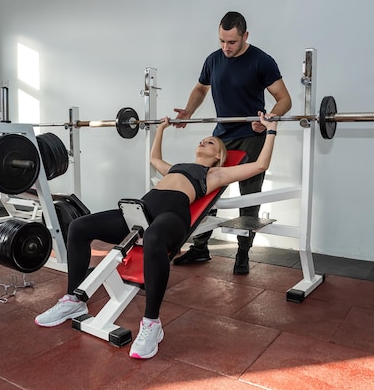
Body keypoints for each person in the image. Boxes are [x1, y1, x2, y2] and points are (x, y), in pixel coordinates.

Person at [35, 112, 279, 360]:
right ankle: (74, 299)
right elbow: (154, 158)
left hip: (172, 216)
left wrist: (271, 130)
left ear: (218, 156)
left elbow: (260, 165)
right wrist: (162, 128)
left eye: (210, 142)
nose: (203, 142)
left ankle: (152, 323)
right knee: (78, 227)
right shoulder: (175, 167)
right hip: (140, 211)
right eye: (202, 140)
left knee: (153, 238)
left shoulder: (215, 174)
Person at [172, 11, 292, 275]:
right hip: (222, 136)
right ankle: (201, 247)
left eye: (232, 42)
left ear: (245, 36)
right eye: (222, 41)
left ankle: (243, 253)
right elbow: (201, 88)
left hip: (251, 135)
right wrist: (189, 111)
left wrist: (270, 118)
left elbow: (285, 99)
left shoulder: (262, 61)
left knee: (249, 196)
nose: (226, 47)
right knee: (205, 190)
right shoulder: (213, 60)